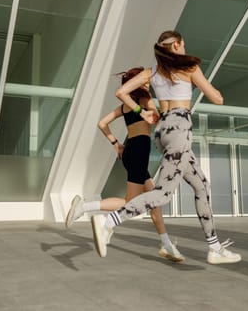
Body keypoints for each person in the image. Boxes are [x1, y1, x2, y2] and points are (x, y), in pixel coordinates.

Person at [90, 30, 242, 264]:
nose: (183, 49)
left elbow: (121, 93)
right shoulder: (190, 68)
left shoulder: (152, 74)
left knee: (201, 185)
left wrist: (141, 112)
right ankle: (108, 222)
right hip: (180, 128)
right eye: (182, 45)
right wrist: (215, 92)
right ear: (178, 45)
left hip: (164, 130)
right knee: (163, 193)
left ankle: (214, 248)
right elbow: (217, 98)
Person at [65, 67, 185, 262]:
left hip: (130, 149)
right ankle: (84, 206)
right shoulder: (145, 98)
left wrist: (116, 144)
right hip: (138, 151)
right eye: (144, 80)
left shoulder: (125, 106)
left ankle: (167, 245)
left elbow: (102, 123)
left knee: (154, 202)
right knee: (131, 203)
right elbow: (157, 120)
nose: (147, 83)